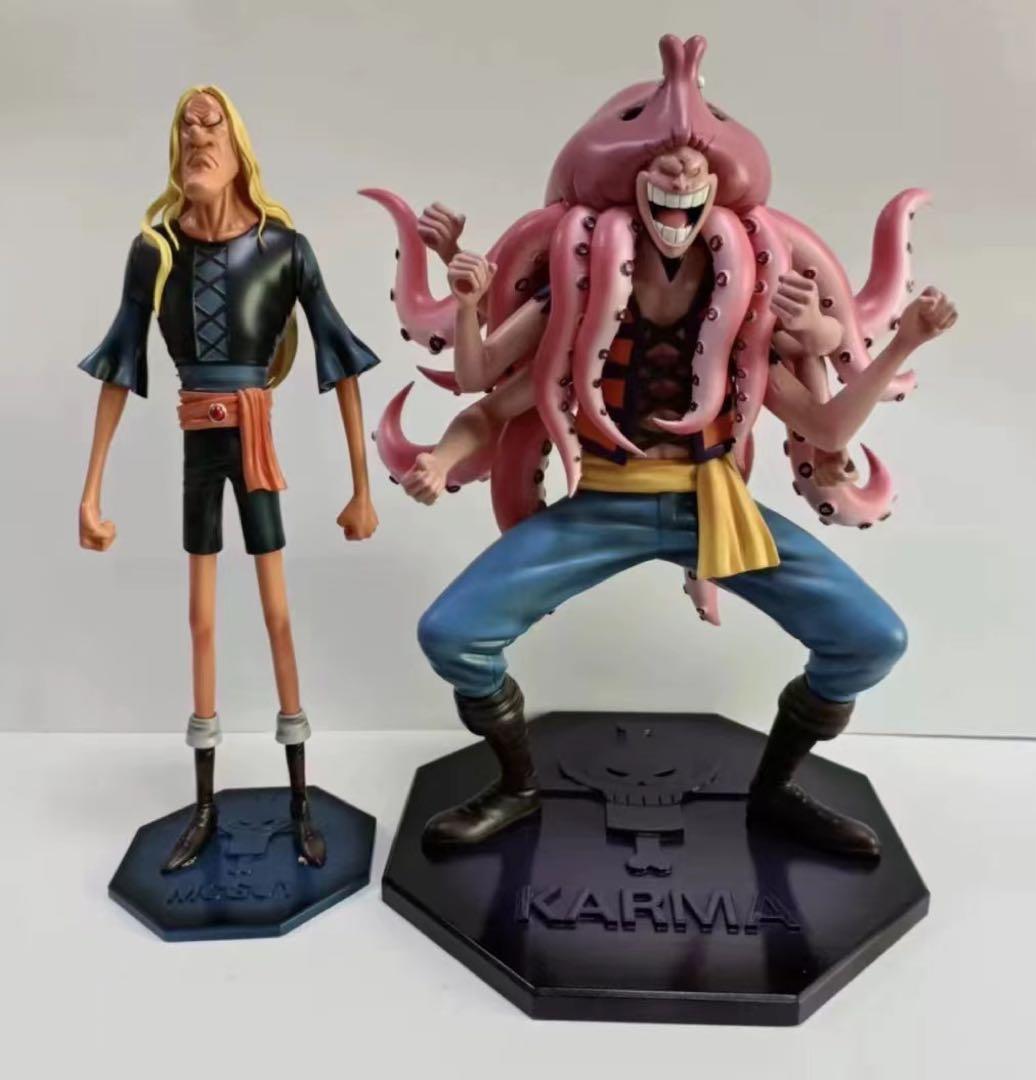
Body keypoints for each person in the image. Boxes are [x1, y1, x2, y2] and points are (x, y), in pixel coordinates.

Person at [368, 34, 957, 860]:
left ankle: (776, 788)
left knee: (870, 639)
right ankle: (517, 784)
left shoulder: (747, 314)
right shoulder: (573, 306)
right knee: (453, 634)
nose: (674, 210)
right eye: (657, 180)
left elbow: (826, 430)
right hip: (601, 505)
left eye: (695, 183)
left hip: (714, 509)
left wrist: (903, 345)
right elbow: (488, 394)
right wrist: (442, 435)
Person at [79, 86, 380, 871]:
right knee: (202, 622)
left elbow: (341, 359)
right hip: (199, 446)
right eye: (185, 127)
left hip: (254, 444)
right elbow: (119, 363)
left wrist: (363, 487)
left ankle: (301, 796)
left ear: (238, 143)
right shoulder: (155, 251)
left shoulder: (285, 249)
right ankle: (206, 804)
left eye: (210, 124)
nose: (196, 137)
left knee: (278, 616)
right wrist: (91, 489)